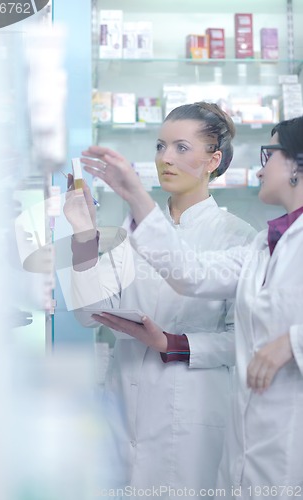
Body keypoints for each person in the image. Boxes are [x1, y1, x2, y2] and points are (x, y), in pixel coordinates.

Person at [82, 116, 303, 499]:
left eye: (181, 147)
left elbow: (234, 333)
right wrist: (89, 233)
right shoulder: (265, 245)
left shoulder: (240, 235)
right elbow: (188, 272)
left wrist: (174, 344)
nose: (261, 165)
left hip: (214, 415)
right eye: (160, 146)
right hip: (164, 417)